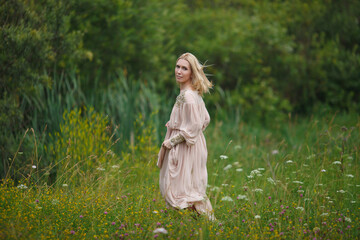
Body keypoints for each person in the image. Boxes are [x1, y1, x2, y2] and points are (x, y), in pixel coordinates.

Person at [157, 52, 215, 220]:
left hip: (184, 146)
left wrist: (173, 140)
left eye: (184, 68)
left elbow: (196, 124)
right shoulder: (193, 94)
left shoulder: (189, 96)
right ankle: (197, 223)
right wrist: (176, 123)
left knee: (180, 189)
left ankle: (204, 223)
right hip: (192, 144)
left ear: (192, 72)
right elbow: (205, 119)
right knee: (187, 187)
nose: (179, 71)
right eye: (177, 67)